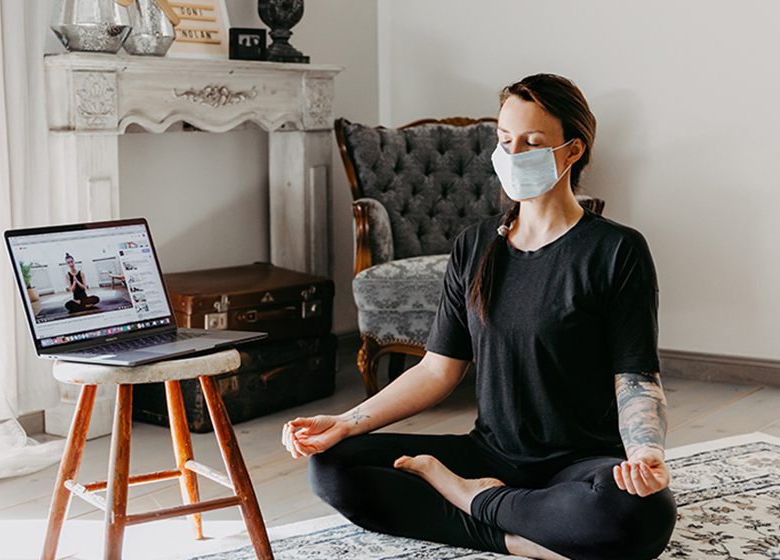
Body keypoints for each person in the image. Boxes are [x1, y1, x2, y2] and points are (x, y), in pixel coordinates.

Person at [282, 74, 676, 560]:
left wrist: (644, 453)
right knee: (331, 466)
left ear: (572, 152)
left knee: (642, 515)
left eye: (532, 143)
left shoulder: (616, 250)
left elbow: (635, 376)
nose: (513, 155)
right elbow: (436, 369)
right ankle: (518, 529)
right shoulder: (475, 245)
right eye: (505, 141)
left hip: (580, 465)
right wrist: (346, 422)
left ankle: (471, 497)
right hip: (489, 455)